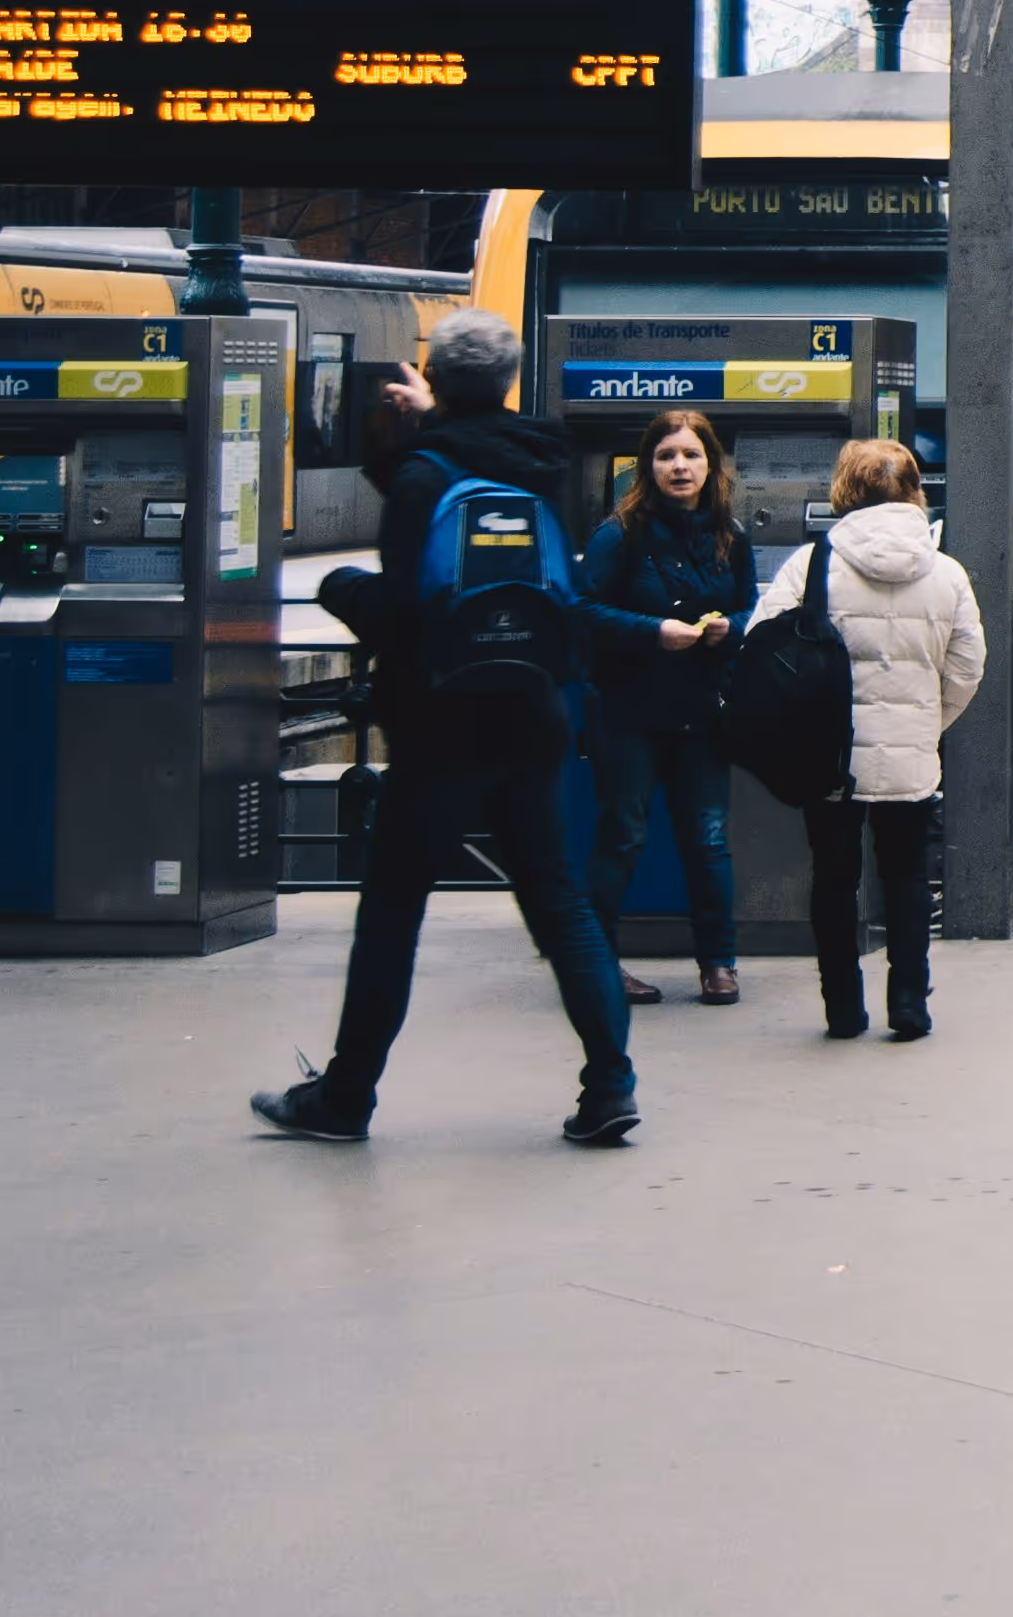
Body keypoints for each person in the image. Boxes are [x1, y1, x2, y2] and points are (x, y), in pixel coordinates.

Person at [252, 308, 721, 1149]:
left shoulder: (425, 476)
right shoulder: (538, 467)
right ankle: (610, 1085)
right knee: (562, 907)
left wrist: (343, 587)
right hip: (533, 713)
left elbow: (402, 609)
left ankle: (345, 1096)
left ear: (436, 376)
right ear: (505, 380)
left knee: (392, 914)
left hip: (440, 722)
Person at [780, 437, 990, 1039]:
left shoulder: (812, 564)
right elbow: (968, 667)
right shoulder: (947, 573)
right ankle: (909, 1003)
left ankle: (842, 1008)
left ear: (844, 489)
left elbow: (764, 649)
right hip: (912, 758)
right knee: (906, 877)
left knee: (835, 879)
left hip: (830, 759)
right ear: (916, 491)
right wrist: (928, 724)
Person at [577, 407, 756, 1006]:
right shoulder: (618, 536)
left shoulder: (731, 536)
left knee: (707, 840)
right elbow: (582, 613)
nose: (680, 467)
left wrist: (726, 627)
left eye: (691, 455)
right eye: (666, 456)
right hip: (628, 711)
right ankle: (598, 964)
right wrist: (654, 631)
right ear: (646, 466)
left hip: (702, 710)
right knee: (622, 835)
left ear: (711, 465)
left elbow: (753, 608)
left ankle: (718, 963)